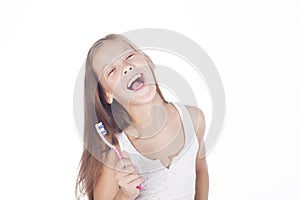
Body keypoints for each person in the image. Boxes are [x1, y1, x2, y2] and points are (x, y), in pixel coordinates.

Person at [75, 34, 209, 200]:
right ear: (107, 94)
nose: (126, 67)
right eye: (111, 70)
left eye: (129, 56)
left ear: (147, 60)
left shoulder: (194, 119)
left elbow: (200, 170)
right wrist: (125, 194)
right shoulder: (113, 150)